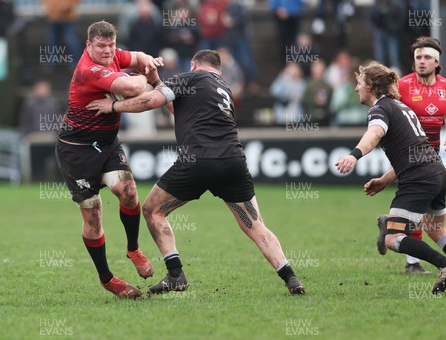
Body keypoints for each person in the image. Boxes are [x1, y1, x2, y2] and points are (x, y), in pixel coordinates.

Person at [86, 49, 306, 296]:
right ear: (218, 69)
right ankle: (291, 278)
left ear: (193, 65)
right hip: (233, 161)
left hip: (198, 160)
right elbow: (181, 111)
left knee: (151, 210)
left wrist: (114, 106)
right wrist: (157, 81)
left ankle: (176, 274)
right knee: (256, 226)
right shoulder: (224, 87)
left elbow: (151, 101)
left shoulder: (189, 78)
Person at [335, 61, 446, 294]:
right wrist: (384, 180)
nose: (356, 88)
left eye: (359, 83)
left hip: (419, 179)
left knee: (392, 238)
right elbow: (412, 152)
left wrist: (354, 156)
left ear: (371, 86)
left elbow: (374, 134)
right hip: (436, 171)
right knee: (436, 230)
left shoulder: (379, 109)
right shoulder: (401, 107)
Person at [56, 20, 164, 299]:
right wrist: (143, 75)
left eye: (111, 45)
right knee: (93, 216)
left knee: (128, 191)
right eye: (101, 46)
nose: (107, 51)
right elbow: (133, 89)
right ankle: (107, 279)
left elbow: (138, 57)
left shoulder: (114, 55)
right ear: (88, 45)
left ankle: (133, 249)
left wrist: (146, 60)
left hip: (105, 145)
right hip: (76, 151)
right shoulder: (87, 70)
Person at [378, 36, 446, 274]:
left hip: (432, 155)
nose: (421, 62)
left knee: (425, 214)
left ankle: (392, 225)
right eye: (418, 58)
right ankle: (412, 263)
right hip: (409, 154)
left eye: (427, 57)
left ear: (437, 62)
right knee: (420, 210)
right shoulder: (402, 86)